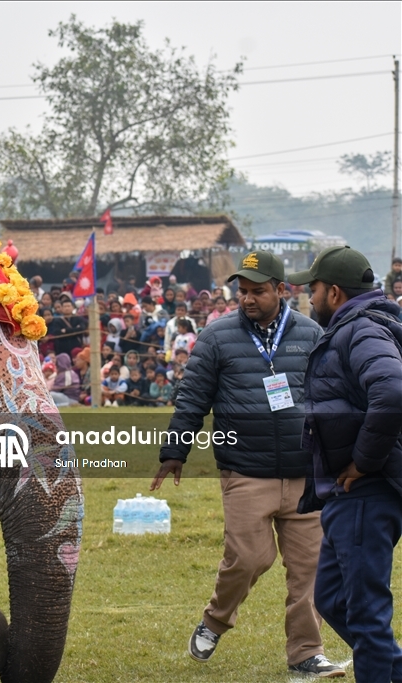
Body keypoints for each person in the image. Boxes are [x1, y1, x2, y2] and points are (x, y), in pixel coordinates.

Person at [150, 250, 342, 677]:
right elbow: (193, 397)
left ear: (280, 290)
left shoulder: (312, 334)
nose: (248, 299)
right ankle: (215, 621)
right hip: (245, 471)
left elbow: (332, 398)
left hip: (304, 473)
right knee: (249, 559)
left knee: (309, 570)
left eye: (258, 291)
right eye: (243, 292)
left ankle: (306, 653)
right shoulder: (217, 337)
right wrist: (175, 451)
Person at [287, 246, 402, 682]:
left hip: (365, 493)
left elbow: (391, 392)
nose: (309, 298)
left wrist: (363, 461)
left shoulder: (361, 331)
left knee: (364, 611)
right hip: (345, 495)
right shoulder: (358, 326)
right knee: (333, 598)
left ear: (334, 292)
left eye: (312, 288)